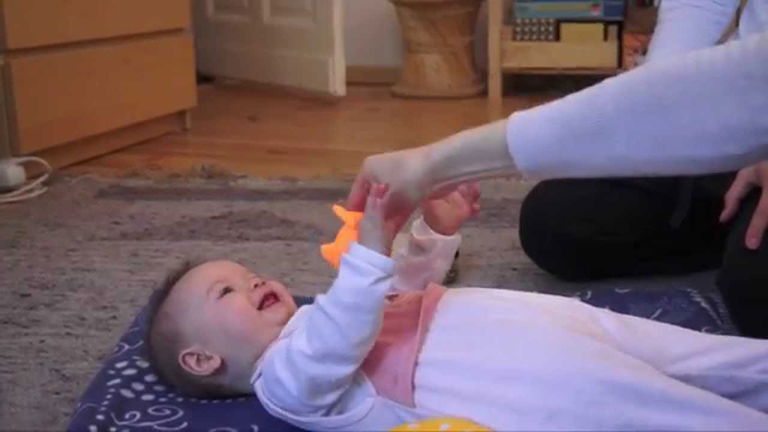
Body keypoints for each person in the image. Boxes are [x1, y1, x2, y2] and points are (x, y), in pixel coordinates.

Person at [147, 183, 768, 431]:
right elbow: (339, 340)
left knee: (701, 356)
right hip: (526, 382)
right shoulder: (284, 381)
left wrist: (433, 233)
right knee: (671, 411)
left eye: (248, 272)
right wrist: (368, 249)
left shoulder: (321, 315)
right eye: (226, 290)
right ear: (203, 359)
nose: (254, 280)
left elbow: (400, 290)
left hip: (533, 322)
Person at [345, 0, 768, 337]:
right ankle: (734, 229)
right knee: (554, 224)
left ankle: (742, 244)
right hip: (727, 116)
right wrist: (655, 109)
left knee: (753, 295)